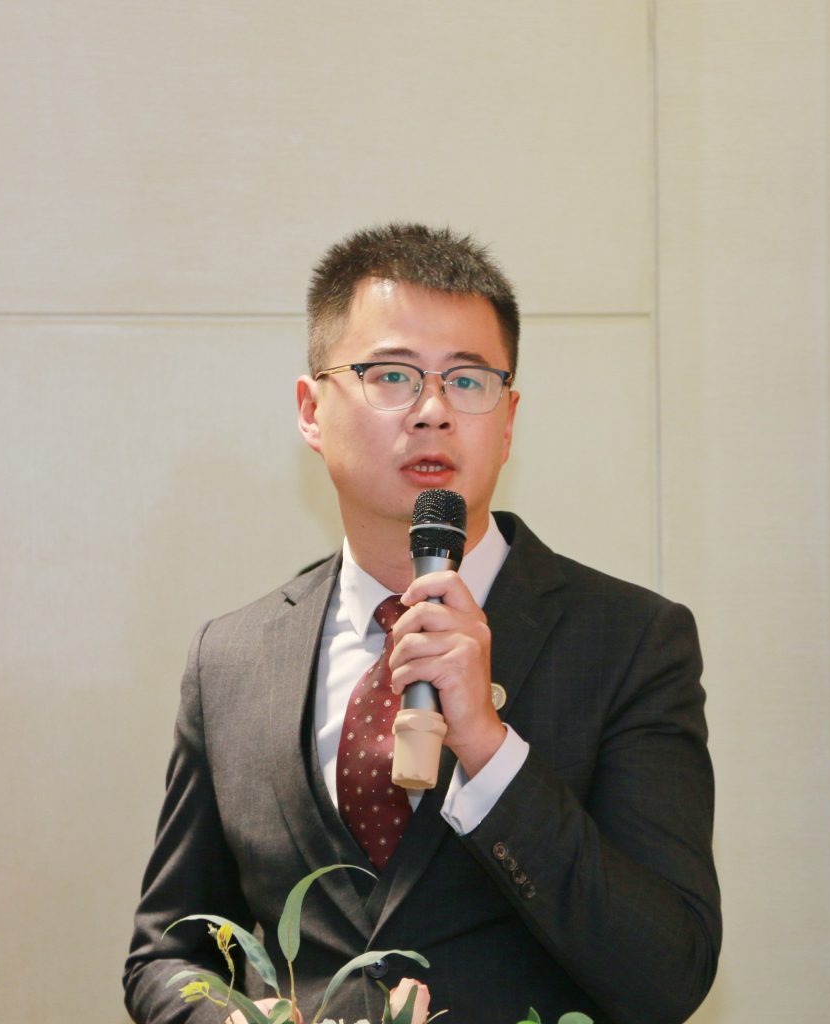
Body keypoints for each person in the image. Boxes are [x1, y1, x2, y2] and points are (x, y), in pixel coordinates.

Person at [124, 224, 720, 1024]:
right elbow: (167, 955)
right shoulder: (231, 660)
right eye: (392, 376)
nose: (434, 411)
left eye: (468, 381)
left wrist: (489, 749)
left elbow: (668, 974)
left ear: (508, 419)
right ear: (311, 409)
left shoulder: (630, 642)